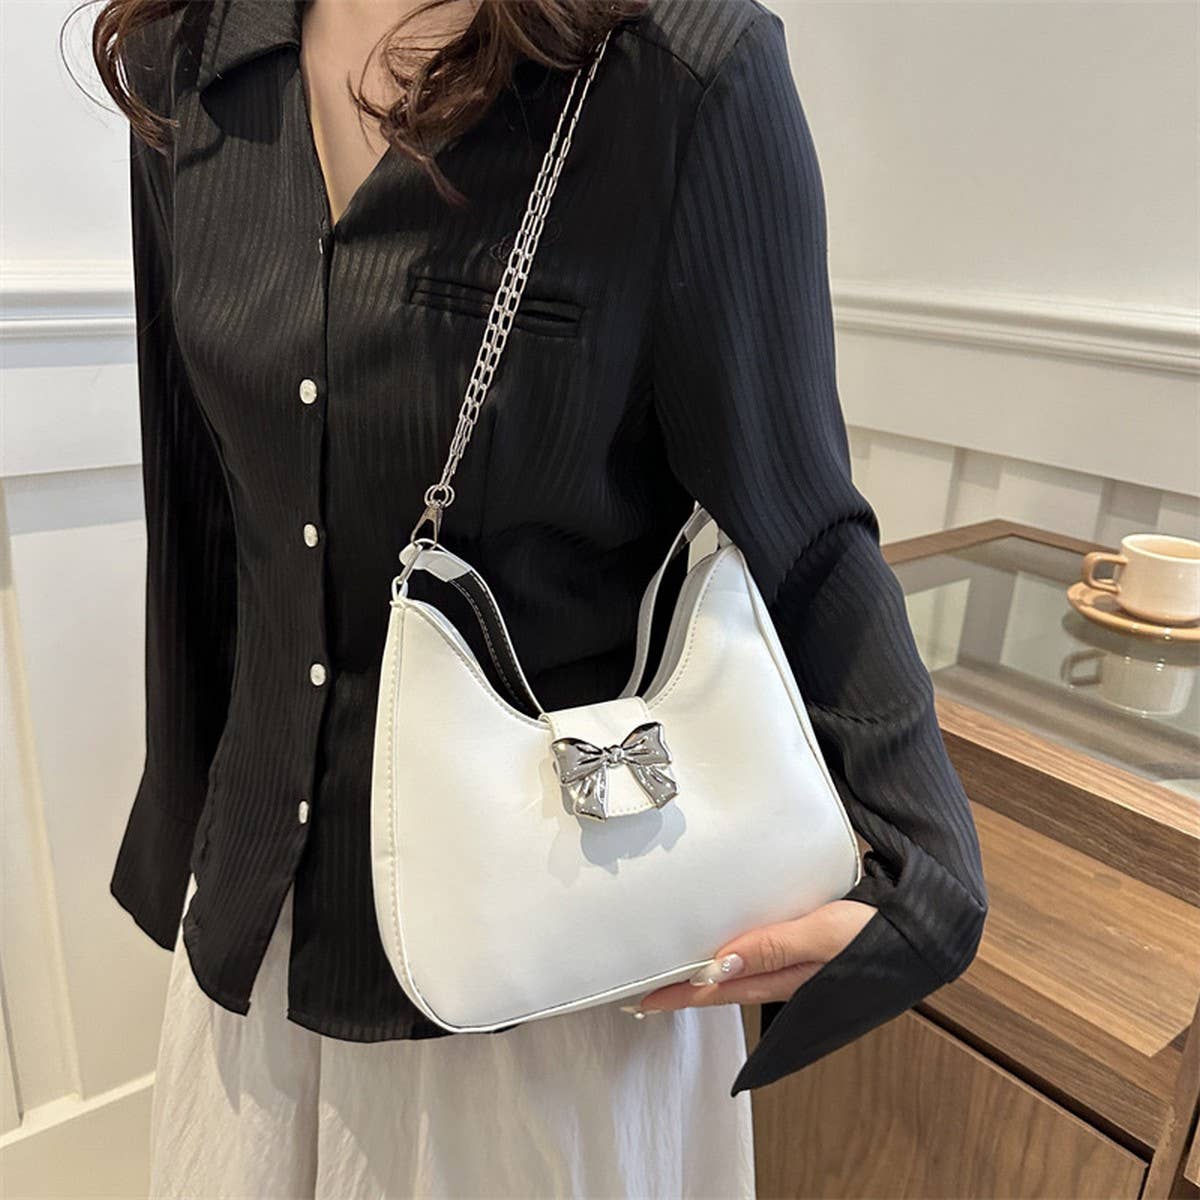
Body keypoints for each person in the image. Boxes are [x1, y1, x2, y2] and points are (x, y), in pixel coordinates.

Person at [88, 0, 988, 1195]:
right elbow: (203, 498)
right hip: (263, 933)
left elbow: (799, 518)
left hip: (554, 953)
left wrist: (926, 874)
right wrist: (183, 826)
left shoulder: (678, 71)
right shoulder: (190, 56)